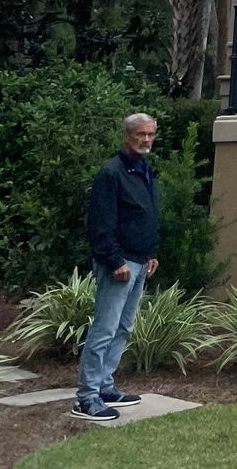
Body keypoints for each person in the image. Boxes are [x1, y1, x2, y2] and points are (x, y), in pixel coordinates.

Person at [72, 113, 161, 423]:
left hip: (140, 261)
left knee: (123, 327)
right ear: (127, 136)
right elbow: (100, 225)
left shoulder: (145, 170)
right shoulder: (111, 173)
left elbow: (144, 216)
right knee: (105, 328)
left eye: (150, 134)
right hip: (119, 264)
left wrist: (150, 252)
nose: (146, 139)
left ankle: (106, 386)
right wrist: (114, 261)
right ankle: (87, 397)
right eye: (140, 134)